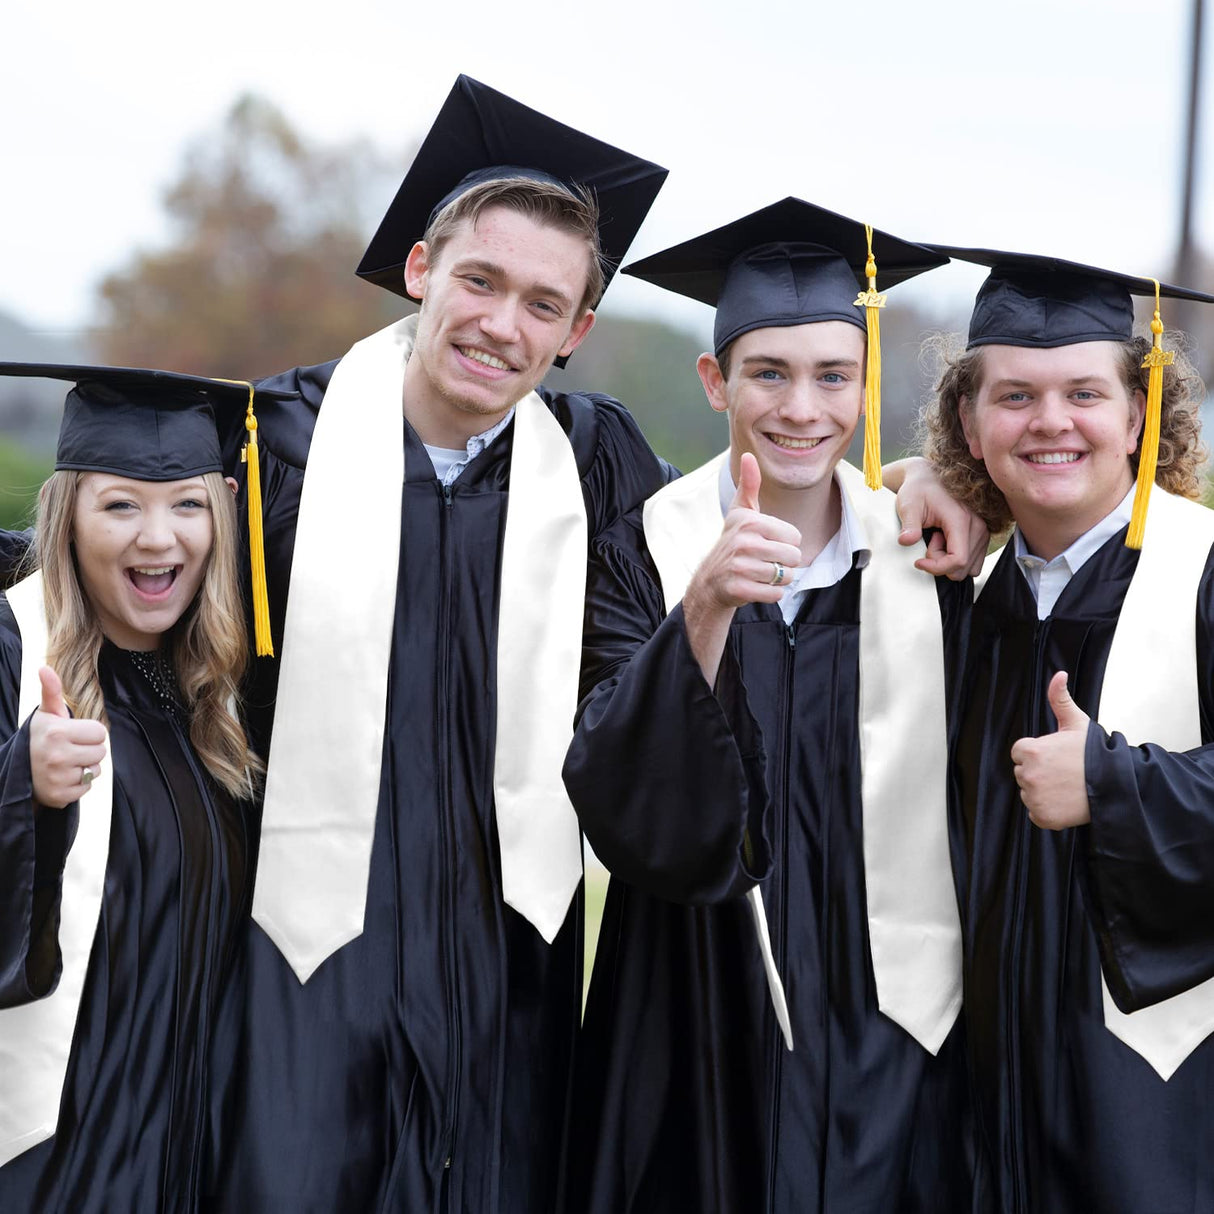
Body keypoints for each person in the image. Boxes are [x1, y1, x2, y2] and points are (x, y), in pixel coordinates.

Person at [204, 77, 671, 1213]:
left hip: (507, 954)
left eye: (541, 304)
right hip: (303, 947)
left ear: (574, 332)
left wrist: (915, 490)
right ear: (420, 271)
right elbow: (119, 572)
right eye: (479, 280)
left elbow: (706, 599)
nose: (500, 324)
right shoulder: (277, 440)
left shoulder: (597, 462)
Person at [561, 199, 976, 1214]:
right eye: (768, 373)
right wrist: (701, 606)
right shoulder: (642, 550)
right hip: (690, 1014)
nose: (802, 407)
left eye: (832, 374)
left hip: (890, 1024)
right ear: (715, 382)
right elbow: (613, 791)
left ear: (865, 381)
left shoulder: (928, 560)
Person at [917, 247, 1214, 1214]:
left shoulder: (1203, 572)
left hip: (1161, 1105)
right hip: (982, 1106)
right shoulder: (950, 601)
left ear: (1138, 412)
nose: (1051, 422)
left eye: (1084, 393)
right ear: (968, 420)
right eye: (1015, 397)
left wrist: (1114, 784)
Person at [0, 365, 274, 1213]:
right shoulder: (13, 652)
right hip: (53, 1152)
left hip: (186, 1146)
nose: (159, 538)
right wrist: (24, 786)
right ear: (68, 515)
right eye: (121, 505)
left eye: (187, 505)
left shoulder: (215, 696)